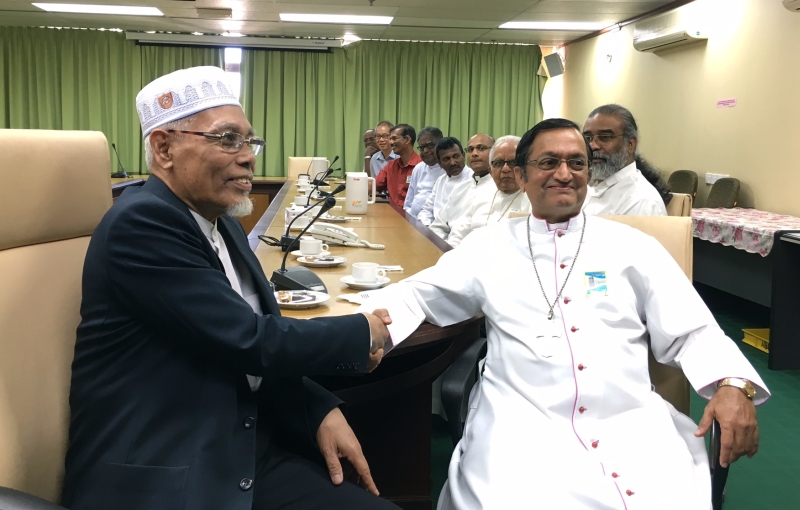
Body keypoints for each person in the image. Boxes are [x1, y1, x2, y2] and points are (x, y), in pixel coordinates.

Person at [363, 118, 768, 509]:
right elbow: (419, 294)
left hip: (628, 419)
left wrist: (732, 383)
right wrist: (371, 324)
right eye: (548, 162)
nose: (565, 173)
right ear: (521, 176)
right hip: (521, 421)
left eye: (577, 163)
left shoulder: (634, 247)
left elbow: (694, 328)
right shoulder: (488, 246)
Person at [61, 66, 398, 510]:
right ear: (164, 148)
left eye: (249, 141)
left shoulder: (224, 225)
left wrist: (317, 407)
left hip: (239, 441)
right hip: (168, 464)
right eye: (226, 139)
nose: (248, 157)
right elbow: (248, 340)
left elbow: (234, 342)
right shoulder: (142, 222)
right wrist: (362, 331)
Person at [581, 104, 670, 216]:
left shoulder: (640, 201)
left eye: (604, 137)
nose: (593, 146)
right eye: (587, 138)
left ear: (630, 144)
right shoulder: (590, 185)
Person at [446, 135, 530, 247]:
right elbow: (459, 233)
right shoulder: (482, 192)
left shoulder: (534, 200)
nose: (505, 169)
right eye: (499, 163)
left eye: (513, 162)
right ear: (490, 171)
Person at [428, 133, 494, 241]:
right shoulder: (460, 189)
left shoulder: (500, 189)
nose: (474, 154)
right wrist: (442, 246)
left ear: (494, 153)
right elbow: (438, 226)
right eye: (471, 149)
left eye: (481, 148)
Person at [417, 137, 473, 227]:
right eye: (446, 159)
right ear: (439, 163)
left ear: (463, 155)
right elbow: (426, 210)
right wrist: (427, 226)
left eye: (456, 156)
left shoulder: (474, 179)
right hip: (435, 231)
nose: (452, 163)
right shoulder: (440, 181)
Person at [375, 124, 422, 209]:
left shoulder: (422, 166)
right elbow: (375, 185)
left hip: (413, 217)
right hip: (392, 215)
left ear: (407, 139)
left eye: (394, 138)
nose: (391, 142)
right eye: (390, 139)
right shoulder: (391, 166)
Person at [403, 126, 445, 219]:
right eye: (422, 147)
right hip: (413, 221)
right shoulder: (418, 168)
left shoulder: (448, 169)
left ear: (440, 144)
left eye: (430, 146)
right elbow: (408, 203)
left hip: (433, 226)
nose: (425, 151)